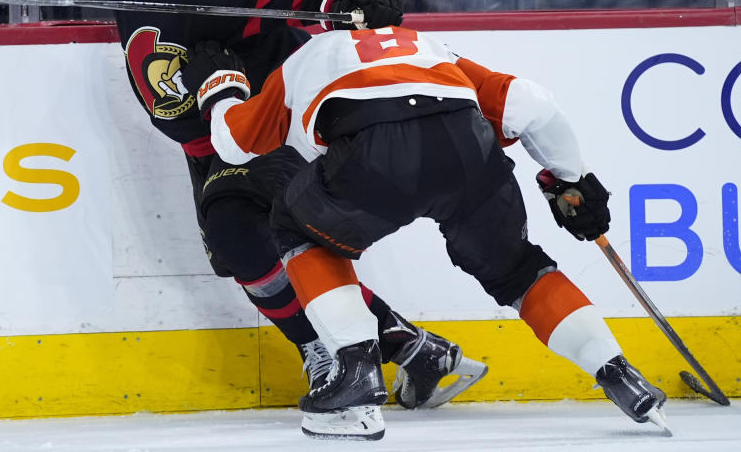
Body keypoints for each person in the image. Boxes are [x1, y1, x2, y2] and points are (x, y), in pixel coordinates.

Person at [14, 0, 485, 414]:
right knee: (252, 255)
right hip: (204, 138)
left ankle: (327, 350)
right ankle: (417, 352)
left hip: (262, 118)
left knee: (246, 234)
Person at [181, 27, 669, 440]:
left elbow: (233, 143)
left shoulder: (309, 53)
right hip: (467, 150)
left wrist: (220, 87)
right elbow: (532, 103)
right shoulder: (429, 47)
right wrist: (570, 179)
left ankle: (356, 370)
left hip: (374, 154)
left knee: (296, 227)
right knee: (518, 269)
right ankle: (618, 372)